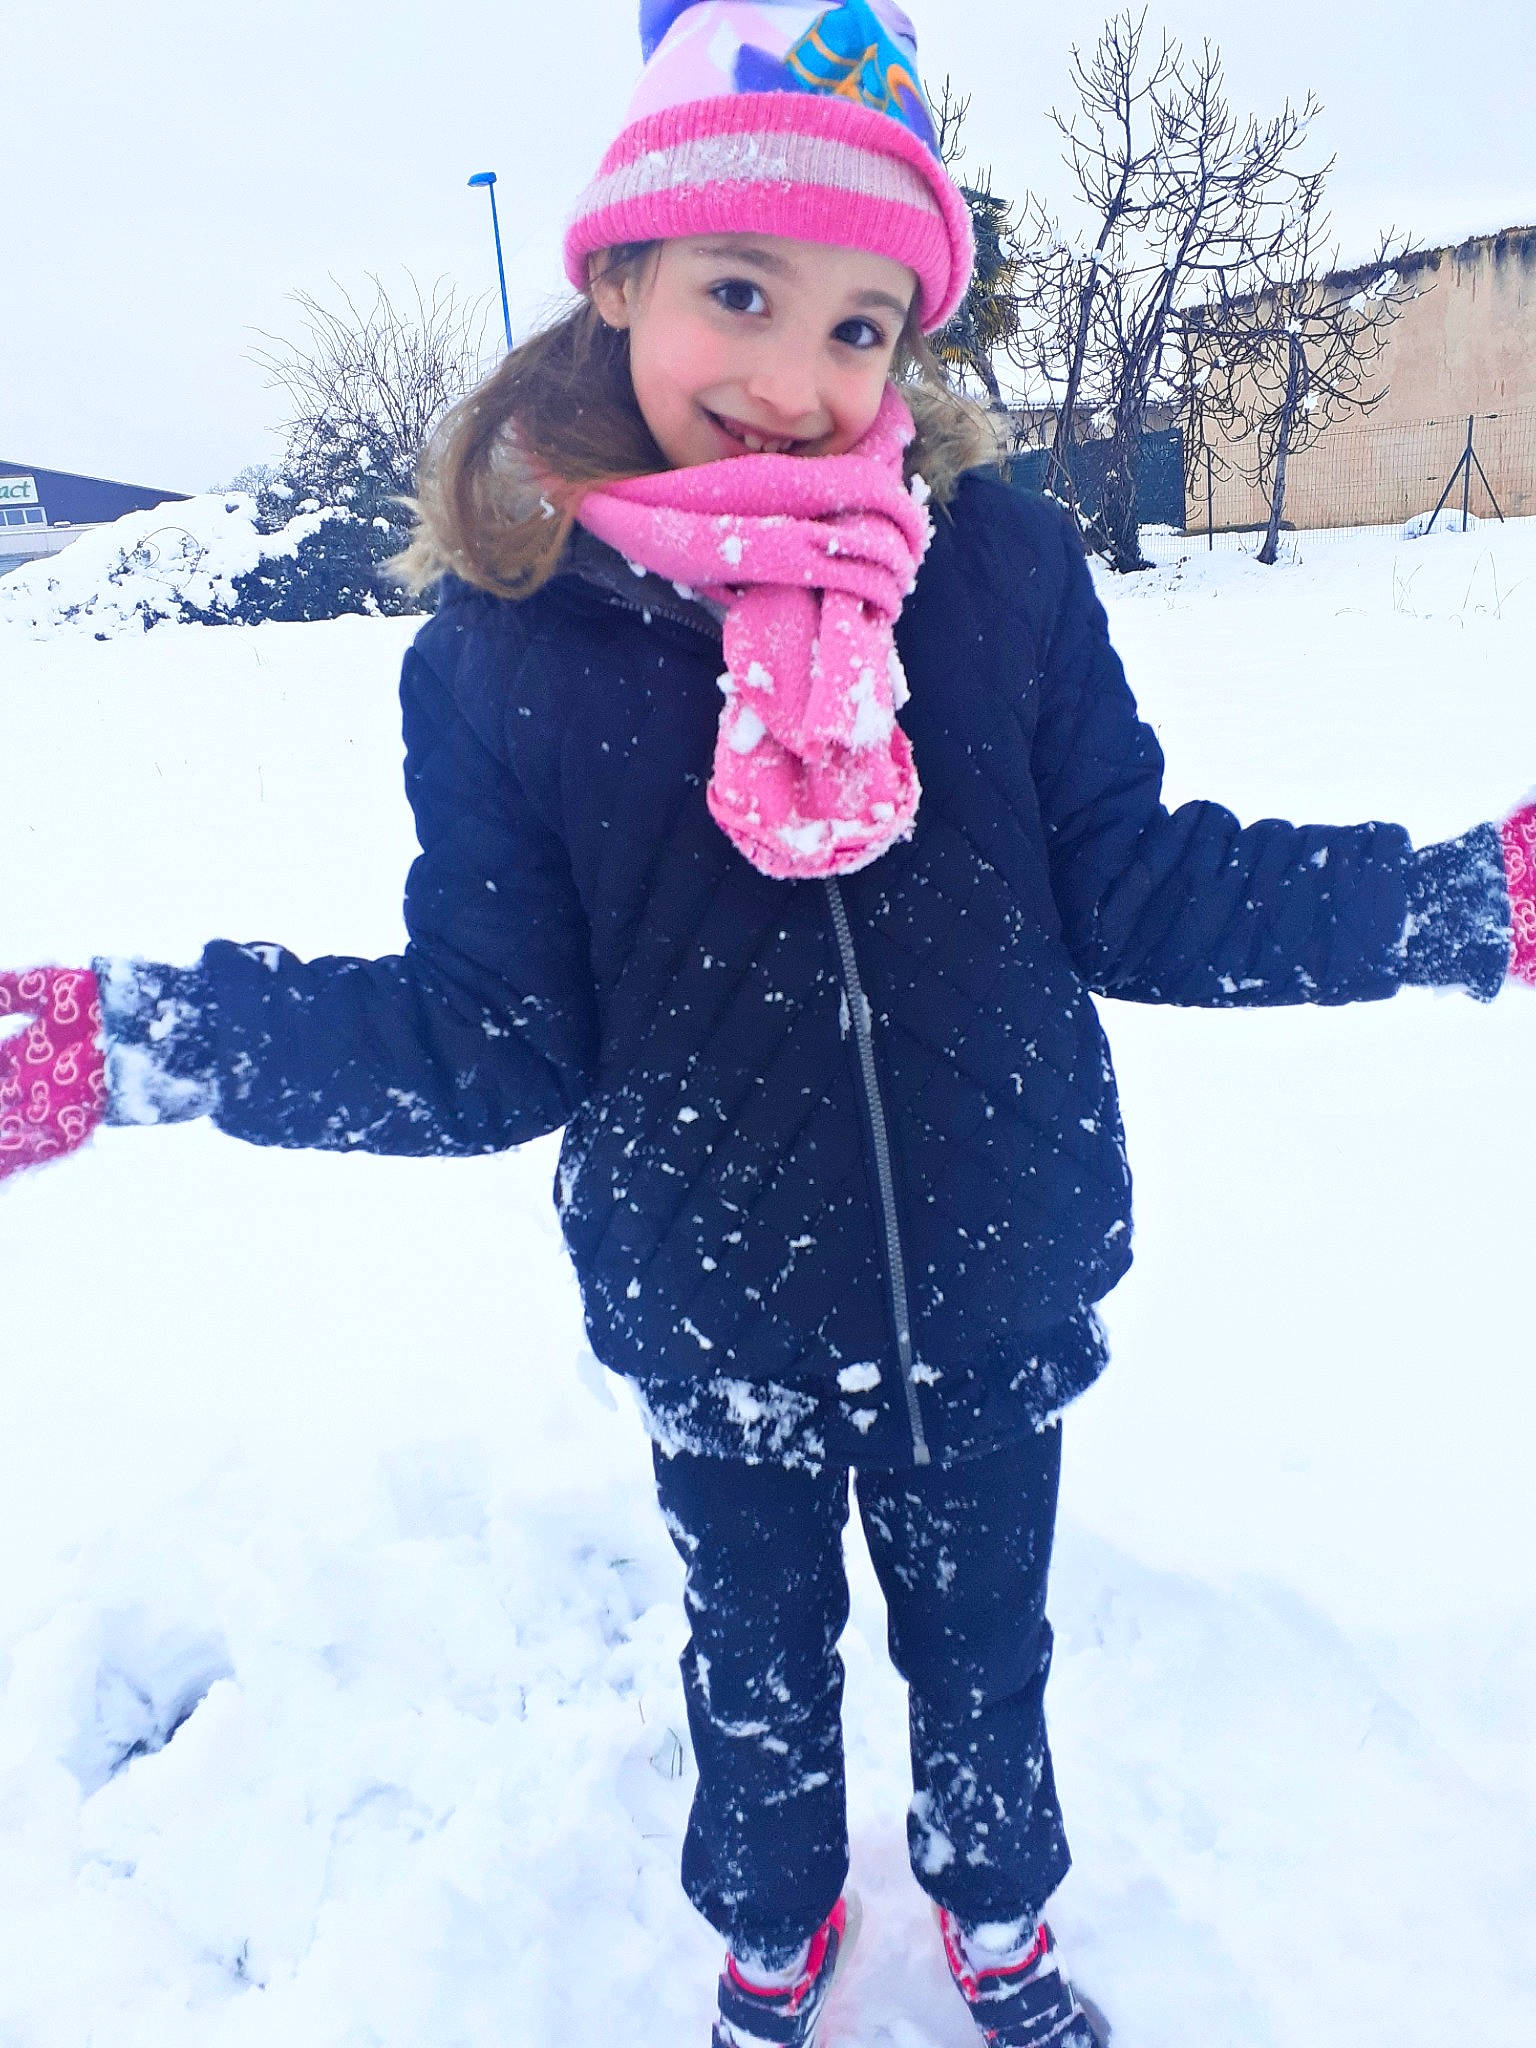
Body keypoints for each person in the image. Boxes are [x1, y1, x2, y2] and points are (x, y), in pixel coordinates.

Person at [3, 3, 1533, 2042]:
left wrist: (1472, 900)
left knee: (986, 1651)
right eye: (743, 291)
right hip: (714, 1302)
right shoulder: (506, 651)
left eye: (862, 327)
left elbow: (1147, 881)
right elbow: (485, 1039)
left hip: (992, 1278)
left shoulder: (992, 569)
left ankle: (1000, 1918)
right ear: (620, 275)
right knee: (755, 1656)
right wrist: (138, 1037)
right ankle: (774, 1924)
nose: (802, 380)